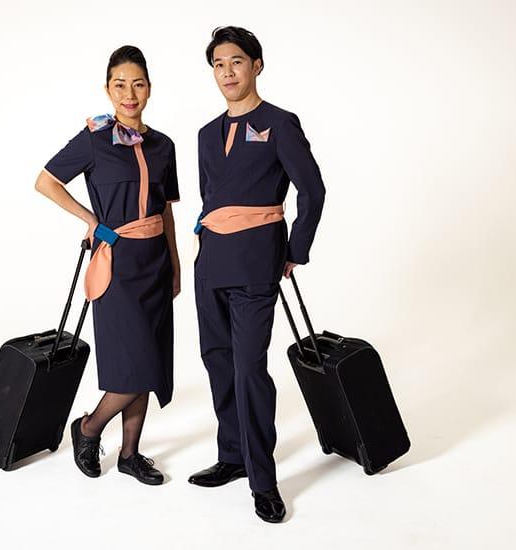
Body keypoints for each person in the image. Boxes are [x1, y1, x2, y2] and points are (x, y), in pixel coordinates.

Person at [188, 26, 326, 522]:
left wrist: (295, 250)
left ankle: (264, 481)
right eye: (219, 64)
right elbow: (211, 198)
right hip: (212, 265)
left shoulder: (280, 123)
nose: (228, 72)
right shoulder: (206, 134)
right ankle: (232, 457)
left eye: (237, 62)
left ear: (257, 65)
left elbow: (312, 192)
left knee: (249, 369)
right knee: (218, 361)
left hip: (256, 264)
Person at [34, 45, 181, 485]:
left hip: (155, 263)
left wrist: (175, 263)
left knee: (149, 362)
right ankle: (88, 428)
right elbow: (46, 181)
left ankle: (131, 453)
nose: (129, 93)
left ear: (150, 89)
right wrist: (92, 221)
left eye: (138, 83)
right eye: (120, 84)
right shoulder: (95, 139)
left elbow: (167, 210)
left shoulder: (163, 145)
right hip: (117, 265)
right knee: (133, 364)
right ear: (107, 89)